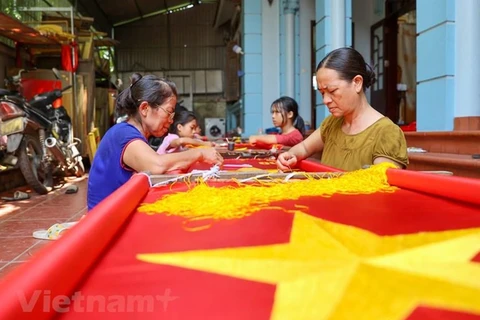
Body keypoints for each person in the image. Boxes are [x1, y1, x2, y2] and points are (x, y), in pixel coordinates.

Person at [87, 73, 223, 211]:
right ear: (145, 108)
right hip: (105, 221)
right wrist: (199, 153)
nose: (171, 120)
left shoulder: (133, 134)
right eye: (169, 112)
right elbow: (156, 165)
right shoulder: (123, 134)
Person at [277, 47, 408, 172]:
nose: (325, 100)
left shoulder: (387, 133)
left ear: (357, 83)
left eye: (332, 91)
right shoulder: (332, 123)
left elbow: (380, 184)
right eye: (322, 93)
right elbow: (304, 148)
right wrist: (291, 154)